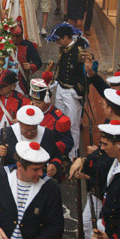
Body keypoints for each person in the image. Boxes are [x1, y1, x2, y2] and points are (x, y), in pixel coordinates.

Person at [72, 121, 120, 239]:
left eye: (106, 144)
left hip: (113, 230)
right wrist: (83, 162)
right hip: (106, 222)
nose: (102, 147)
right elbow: (102, 172)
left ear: (118, 145)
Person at [0, 141, 64, 239]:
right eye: (35, 170)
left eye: (42, 168)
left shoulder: (50, 188)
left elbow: (55, 227)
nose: (41, 173)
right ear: (19, 166)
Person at [0, 105, 64, 179]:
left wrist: (54, 165)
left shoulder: (47, 135)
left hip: (39, 179)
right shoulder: (8, 134)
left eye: (33, 130)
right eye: (26, 130)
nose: (29, 133)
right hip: (13, 178)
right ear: (20, 124)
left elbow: (56, 155)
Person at [47, 23, 87, 158]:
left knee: (73, 125)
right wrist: (56, 82)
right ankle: (61, 149)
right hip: (61, 89)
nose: (57, 42)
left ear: (65, 38)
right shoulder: (64, 49)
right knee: (59, 120)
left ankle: (73, 154)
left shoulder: (79, 51)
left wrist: (77, 91)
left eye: (59, 39)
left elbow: (86, 75)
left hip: (72, 92)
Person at [29, 75, 74, 157]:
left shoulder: (59, 118)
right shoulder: (28, 110)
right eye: (33, 102)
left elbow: (68, 143)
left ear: (48, 101)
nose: (34, 106)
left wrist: (50, 147)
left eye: (38, 103)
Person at [12, 25, 42, 93]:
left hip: (22, 79)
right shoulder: (5, 44)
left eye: (18, 36)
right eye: (13, 36)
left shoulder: (28, 45)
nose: (15, 39)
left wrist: (30, 66)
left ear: (22, 35)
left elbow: (38, 62)